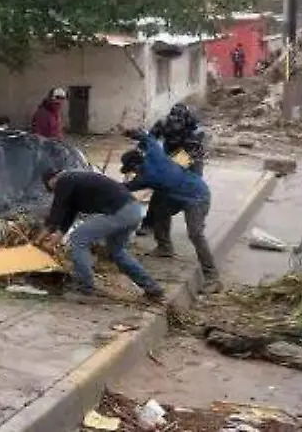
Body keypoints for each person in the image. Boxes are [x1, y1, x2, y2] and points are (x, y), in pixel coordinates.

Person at [41, 168, 165, 302]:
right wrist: (56, 238)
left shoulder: (64, 179)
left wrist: (39, 238)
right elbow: (67, 216)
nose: (55, 192)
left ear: (52, 179)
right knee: (117, 252)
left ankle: (85, 287)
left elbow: (55, 213)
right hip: (133, 210)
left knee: (78, 239)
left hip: (119, 212)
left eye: (51, 189)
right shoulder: (75, 183)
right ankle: (152, 287)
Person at [121, 129, 220, 293]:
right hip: (178, 194)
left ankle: (212, 277)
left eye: (132, 171)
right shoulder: (154, 153)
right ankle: (165, 247)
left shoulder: (149, 176)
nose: (133, 174)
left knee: (195, 233)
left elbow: (126, 188)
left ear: (136, 166)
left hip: (196, 198)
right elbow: (148, 138)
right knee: (159, 208)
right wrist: (133, 133)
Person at [139, 103, 206, 238]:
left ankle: (197, 222)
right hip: (169, 153)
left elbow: (186, 157)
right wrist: (141, 154)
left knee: (193, 191)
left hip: (191, 159)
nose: (174, 127)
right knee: (160, 190)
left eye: (178, 124)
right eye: (172, 123)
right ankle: (149, 223)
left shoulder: (196, 131)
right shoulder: (163, 123)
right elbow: (148, 141)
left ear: (185, 122)